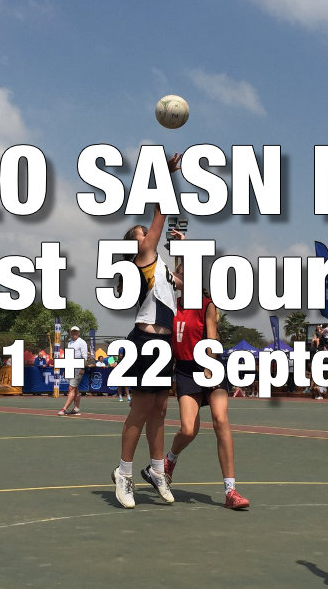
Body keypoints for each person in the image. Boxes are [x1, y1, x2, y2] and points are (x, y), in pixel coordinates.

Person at [111, 152, 181, 509]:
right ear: (136, 243)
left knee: (160, 411)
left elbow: (183, 283)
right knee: (140, 410)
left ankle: (156, 470)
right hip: (145, 342)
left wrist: (181, 251)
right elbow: (161, 213)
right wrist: (165, 175)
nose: (149, 234)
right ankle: (123, 473)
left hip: (164, 344)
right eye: (144, 233)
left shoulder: (160, 266)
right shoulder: (143, 259)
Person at [163, 247, 249, 510]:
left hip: (208, 365)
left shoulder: (206, 305)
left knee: (221, 420)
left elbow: (211, 339)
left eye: (179, 274)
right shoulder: (171, 307)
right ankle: (169, 460)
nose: (174, 277)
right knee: (188, 430)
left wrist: (210, 369)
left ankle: (230, 491)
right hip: (185, 371)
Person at [58, 326, 89, 416]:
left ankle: (64, 409)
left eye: (76, 332)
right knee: (76, 389)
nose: (74, 333)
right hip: (70, 367)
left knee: (71, 388)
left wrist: (83, 368)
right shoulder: (70, 343)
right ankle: (76, 408)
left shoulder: (82, 342)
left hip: (78, 367)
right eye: (73, 332)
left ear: (79, 333)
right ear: (71, 333)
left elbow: (84, 357)